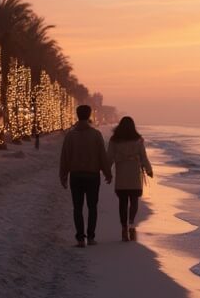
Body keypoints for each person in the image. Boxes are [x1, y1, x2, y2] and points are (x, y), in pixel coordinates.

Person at [59, 104, 111, 247]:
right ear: (89, 116)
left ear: (77, 115)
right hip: (92, 175)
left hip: (75, 175)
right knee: (92, 207)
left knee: (77, 208)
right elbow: (102, 156)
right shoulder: (96, 135)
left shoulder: (70, 135)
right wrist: (107, 173)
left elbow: (65, 157)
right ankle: (91, 237)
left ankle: (80, 238)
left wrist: (63, 175)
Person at [107, 116, 154, 241]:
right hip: (134, 174)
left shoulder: (114, 140)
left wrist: (107, 172)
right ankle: (132, 225)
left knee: (122, 202)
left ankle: (123, 228)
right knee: (134, 201)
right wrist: (149, 170)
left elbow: (109, 157)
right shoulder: (138, 140)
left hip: (121, 174)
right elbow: (144, 157)